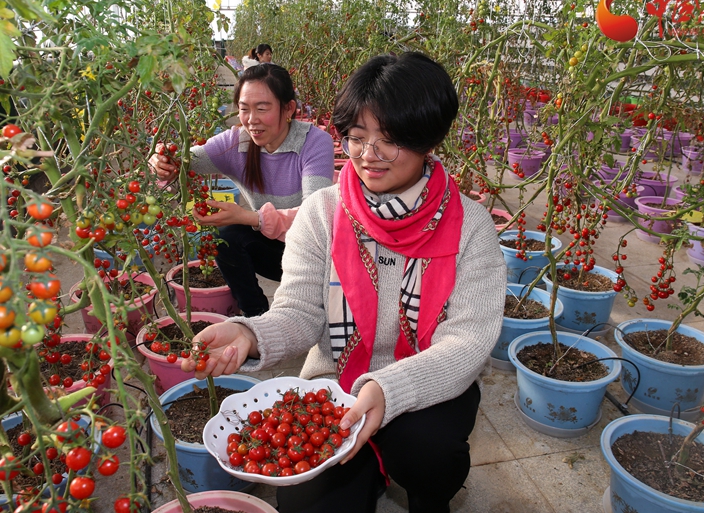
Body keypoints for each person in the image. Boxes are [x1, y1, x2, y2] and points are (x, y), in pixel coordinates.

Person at [180, 52, 506, 513]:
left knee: (428, 452)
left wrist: (387, 390)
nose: (368, 155)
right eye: (356, 138)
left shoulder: (469, 226)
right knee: (305, 502)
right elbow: (298, 311)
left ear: (428, 139)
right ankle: (366, 474)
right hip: (336, 383)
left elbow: (470, 340)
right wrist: (250, 334)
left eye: (389, 140)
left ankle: (426, 494)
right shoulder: (324, 212)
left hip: (427, 382)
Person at [150, 62, 333, 317]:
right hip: (277, 250)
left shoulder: (315, 143)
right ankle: (255, 316)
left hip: (319, 256)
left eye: (262, 108)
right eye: (244, 109)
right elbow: (184, 161)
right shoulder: (237, 142)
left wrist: (248, 216)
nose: (251, 120)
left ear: (289, 108)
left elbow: (316, 220)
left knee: (235, 226)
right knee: (226, 237)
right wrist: (161, 161)